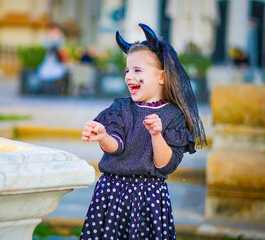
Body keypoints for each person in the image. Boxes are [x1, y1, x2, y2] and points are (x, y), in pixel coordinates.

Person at [80, 23, 207, 240]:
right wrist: (103, 136)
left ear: (161, 77)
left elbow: (166, 164)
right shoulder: (121, 107)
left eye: (138, 70)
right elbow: (116, 146)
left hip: (149, 195)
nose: (129, 76)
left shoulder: (173, 116)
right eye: (127, 70)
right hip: (112, 192)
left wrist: (157, 134)